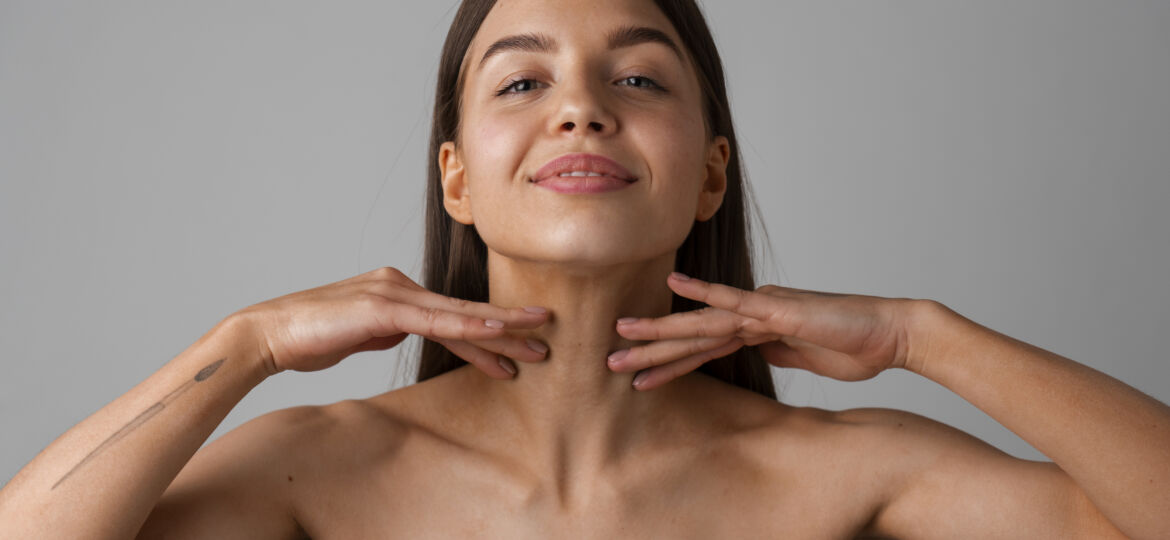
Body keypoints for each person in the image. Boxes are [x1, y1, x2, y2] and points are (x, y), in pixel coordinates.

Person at [1, 0, 1166, 537]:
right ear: (457, 179)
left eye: (641, 79)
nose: (581, 113)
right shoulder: (320, 471)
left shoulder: (847, 480)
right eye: (521, 81)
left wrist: (925, 337)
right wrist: (239, 346)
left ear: (709, 178)